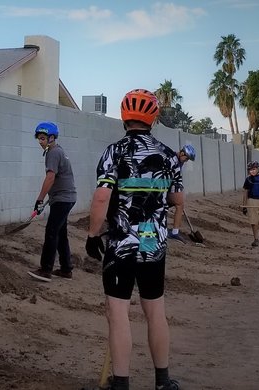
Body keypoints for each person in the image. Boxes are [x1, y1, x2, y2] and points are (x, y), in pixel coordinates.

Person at [85, 89, 183, 390]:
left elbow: (102, 197)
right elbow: (178, 199)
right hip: (153, 241)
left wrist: (92, 235)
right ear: (153, 118)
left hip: (122, 241)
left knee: (118, 313)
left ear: (124, 117)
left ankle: (122, 384)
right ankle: (163, 382)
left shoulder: (114, 151)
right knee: (155, 311)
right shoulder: (168, 155)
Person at [26, 122, 78, 282]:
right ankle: (66, 269)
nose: (40, 142)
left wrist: (40, 199)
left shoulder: (53, 153)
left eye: (43, 138)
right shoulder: (57, 150)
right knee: (61, 234)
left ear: (51, 138)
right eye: (39, 139)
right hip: (65, 198)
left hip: (63, 199)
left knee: (51, 232)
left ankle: (45, 270)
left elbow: (50, 177)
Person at [167, 145, 196, 243]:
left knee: (175, 204)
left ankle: (171, 231)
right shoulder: (172, 159)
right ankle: (174, 233)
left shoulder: (179, 161)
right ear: (182, 153)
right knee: (179, 205)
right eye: (187, 158)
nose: (187, 160)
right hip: (164, 187)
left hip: (170, 186)